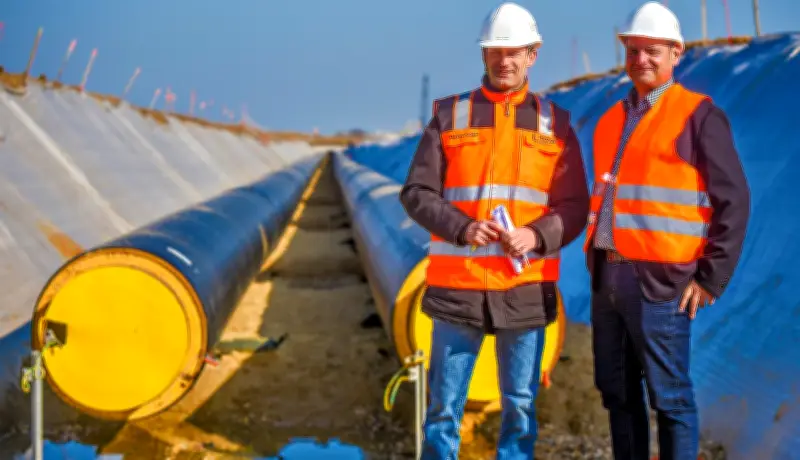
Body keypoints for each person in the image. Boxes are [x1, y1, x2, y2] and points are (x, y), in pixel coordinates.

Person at [400, 3, 590, 458]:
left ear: (533, 54)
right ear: (484, 55)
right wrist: (463, 227)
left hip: (524, 289)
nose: (504, 61)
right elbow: (416, 193)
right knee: (444, 411)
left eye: (515, 52)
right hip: (457, 288)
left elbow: (575, 206)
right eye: (495, 51)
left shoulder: (556, 124)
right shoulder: (450, 116)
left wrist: (536, 236)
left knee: (520, 409)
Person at [584, 2, 751, 459]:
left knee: (670, 398)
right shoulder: (610, 121)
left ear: (677, 53)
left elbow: (734, 200)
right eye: (633, 50)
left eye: (652, 50)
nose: (641, 59)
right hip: (608, 277)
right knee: (617, 393)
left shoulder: (697, 116)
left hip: (662, 284)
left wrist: (711, 277)